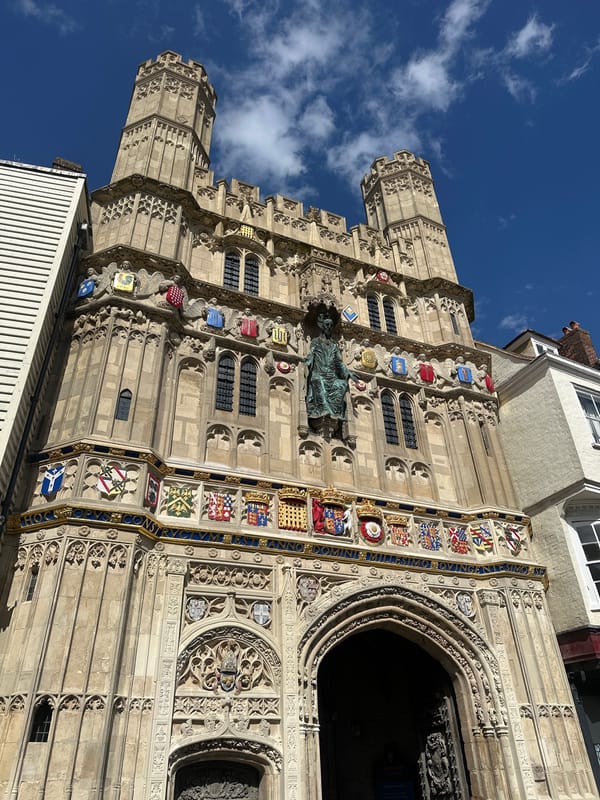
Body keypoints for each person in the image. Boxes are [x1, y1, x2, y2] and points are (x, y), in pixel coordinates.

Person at [304, 312, 359, 424]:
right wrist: (308, 359)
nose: (329, 327)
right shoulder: (316, 341)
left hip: (331, 376)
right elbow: (311, 354)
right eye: (327, 325)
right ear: (322, 326)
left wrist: (348, 373)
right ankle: (323, 410)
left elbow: (339, 362)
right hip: (319, 373)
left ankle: (334, 413)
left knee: (342, 384)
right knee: (317, 380)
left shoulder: (334, 345)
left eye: (331, 325)